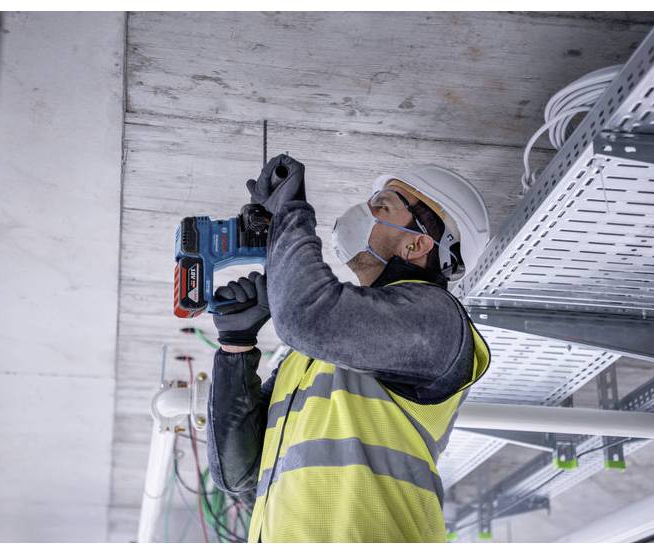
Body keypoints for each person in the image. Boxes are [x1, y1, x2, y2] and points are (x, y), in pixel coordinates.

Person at [206, 154, 491, 542]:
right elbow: (241, 476)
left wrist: (290, 214)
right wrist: (236, 349)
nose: (365, 212)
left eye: (382, 206)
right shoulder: (312, 358)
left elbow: (307, 315)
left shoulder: (436, 319)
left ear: (417, 244)